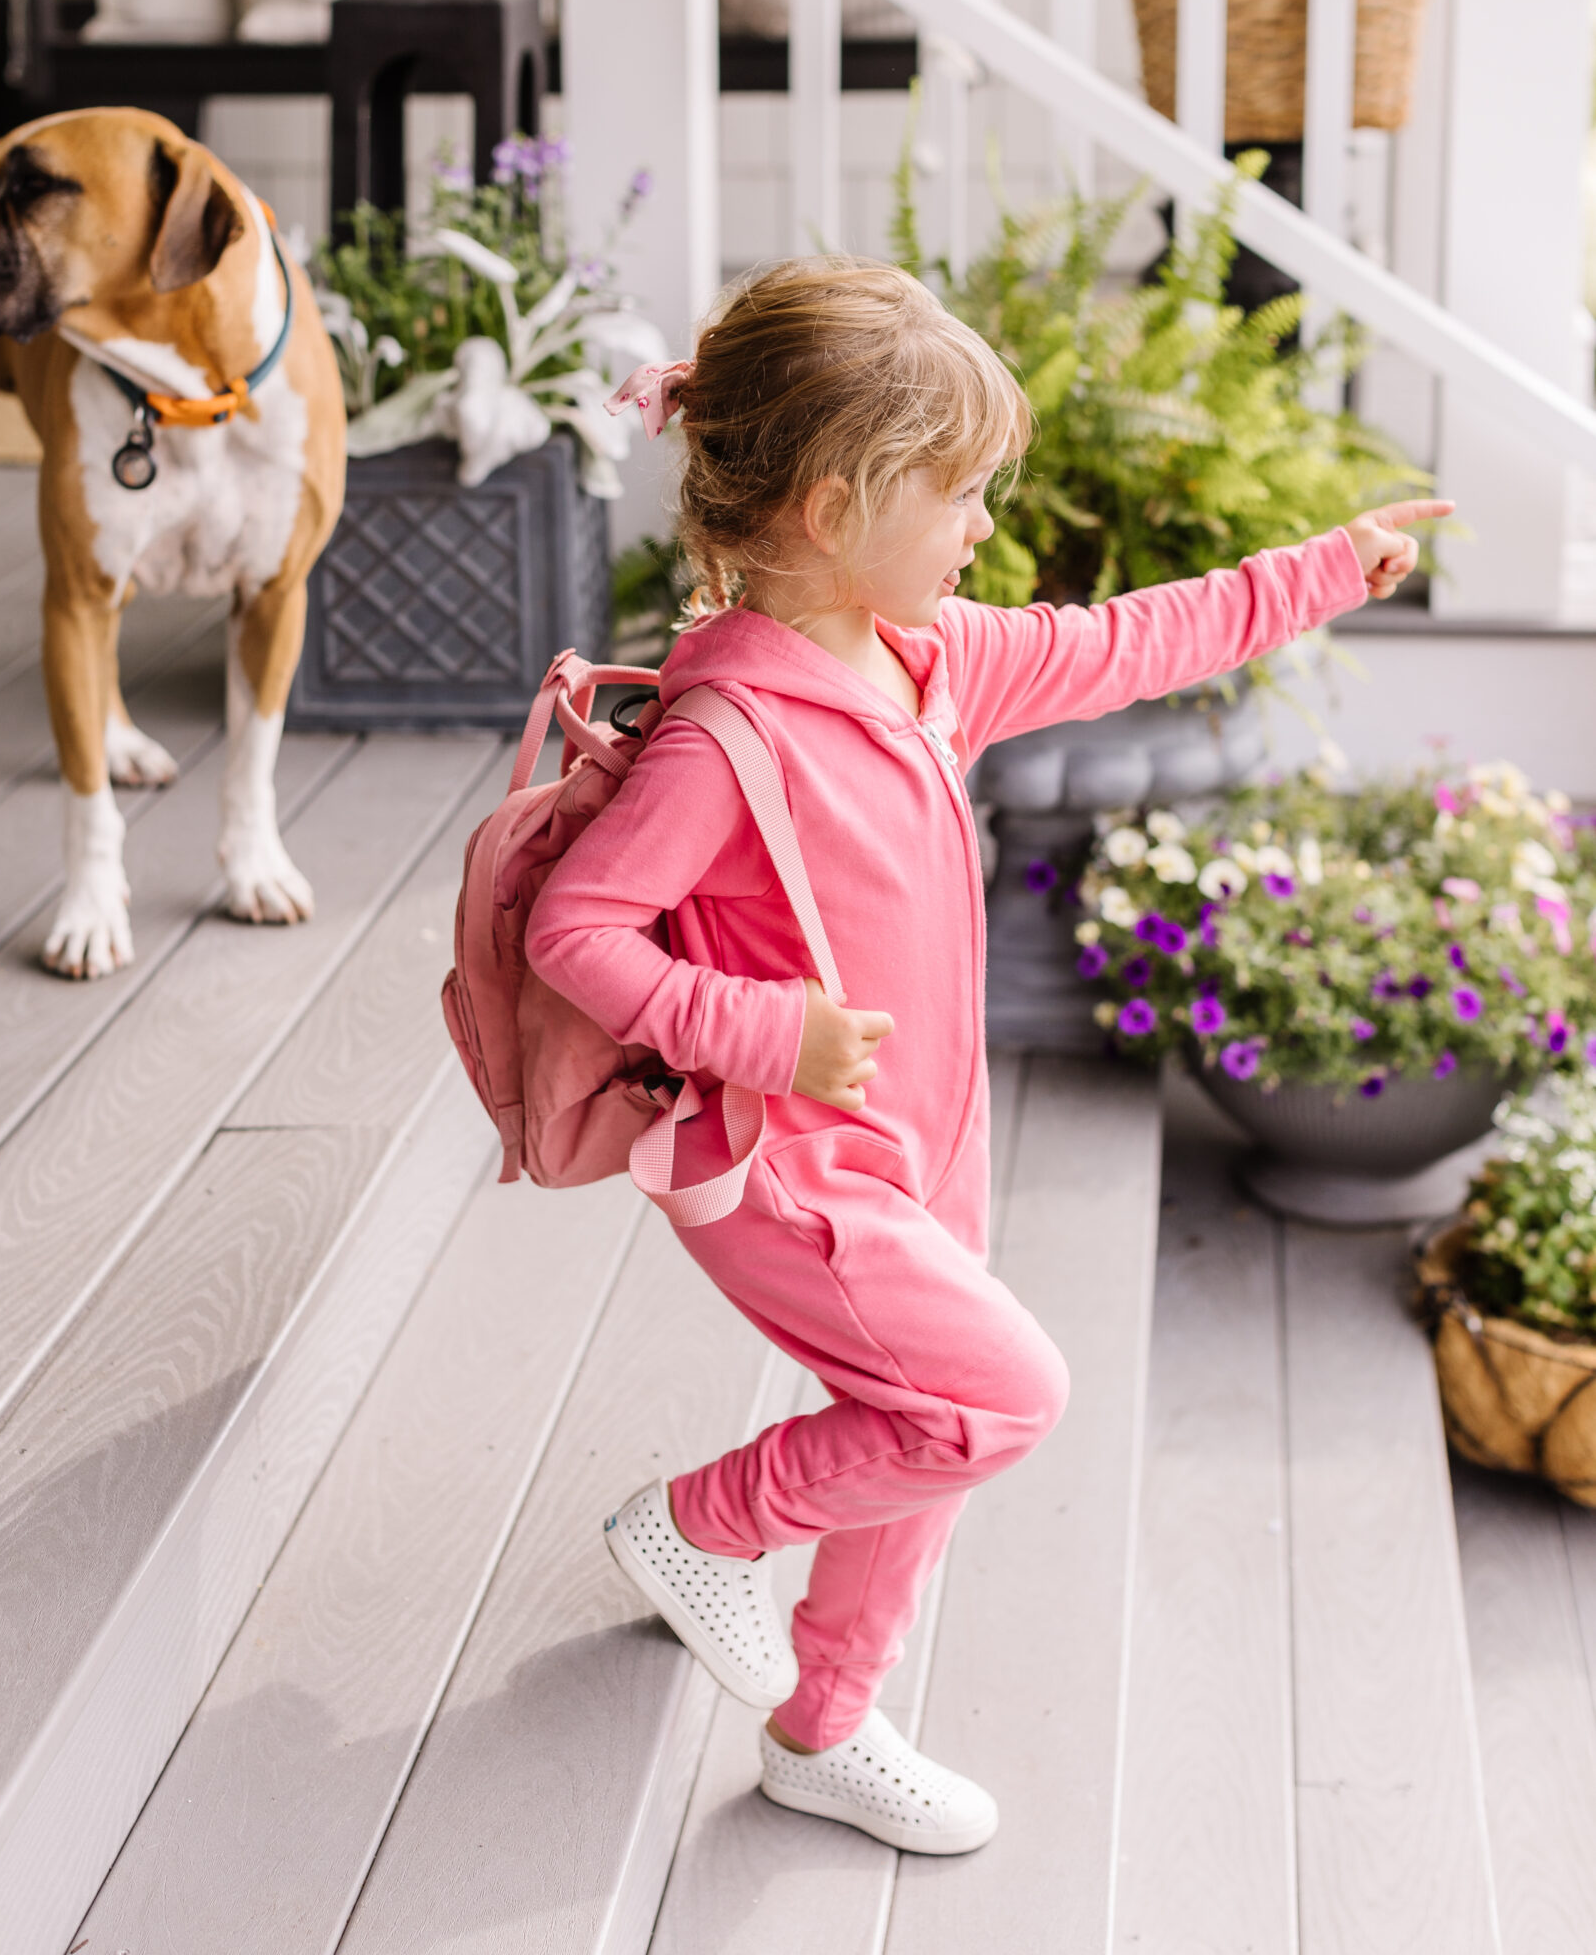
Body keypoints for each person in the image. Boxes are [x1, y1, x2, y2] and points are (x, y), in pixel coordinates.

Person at [527, 257, 1448, 1857]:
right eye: (956, 494)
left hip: (920, 1141)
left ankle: (824, 1725)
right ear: (830, 508)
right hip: (791, 1164)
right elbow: (579, 932)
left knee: (917, 1427)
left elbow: (1129, 640)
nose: (981, 528)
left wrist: (1320, 572)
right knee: (995, 1397)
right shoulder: (725, 730)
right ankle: (700, 1527)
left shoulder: (925, 660)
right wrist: (766, 1031)